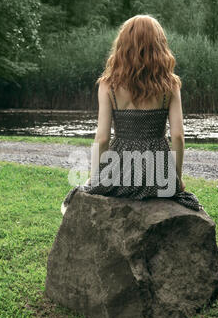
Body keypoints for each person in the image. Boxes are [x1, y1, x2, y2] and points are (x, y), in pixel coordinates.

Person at [61, 14, 202, 215]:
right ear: (159, 45)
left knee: (81, 191)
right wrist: (175, 179)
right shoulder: (171, 84)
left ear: (123, 46)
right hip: (158, 173)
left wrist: (96, 177)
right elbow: (178, 135)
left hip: (119, 171)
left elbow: (102, 139)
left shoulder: (108, 85)